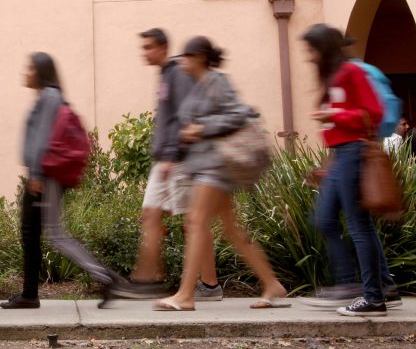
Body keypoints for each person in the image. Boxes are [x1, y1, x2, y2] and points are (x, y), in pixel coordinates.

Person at [154, 37, 288, 312]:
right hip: (206, 166)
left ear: (201, 57)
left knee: (196, 221)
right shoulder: (199, 86)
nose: (183, 62)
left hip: (217, 166)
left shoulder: (217, 81)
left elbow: (238, 114)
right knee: (231, 230)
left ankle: (185, 295)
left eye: (187, 56)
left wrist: (200, 129)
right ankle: (272, 284)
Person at [0, 52, 119, 309]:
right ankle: (29, 293)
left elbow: (44, 137)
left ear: (41, 71)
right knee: (30, 233)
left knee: (55, 234)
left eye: (29, 67)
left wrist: (37, 175)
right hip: (40, 175)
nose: (25, 72)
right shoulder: (46, 97)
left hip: (45, 177)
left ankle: (106, 277)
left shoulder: (50, 97)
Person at [114, 28, 222, 301]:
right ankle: (147, 280)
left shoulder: (177, 73)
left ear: (162, 48)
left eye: (149, 47)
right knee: (150, 215)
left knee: (194, 222)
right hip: (163, 159)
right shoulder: (165, 75)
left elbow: (187, 116)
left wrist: (173, 155)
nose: (145, 52)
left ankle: (209, 285)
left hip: (179, 160)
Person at [299, 24, 400, 316]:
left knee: (359, 226)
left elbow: (375, 112)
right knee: (324, 218)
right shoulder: (334, 77)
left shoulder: (352, 73)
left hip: (354, 153)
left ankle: (372, 297)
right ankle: (373, 286)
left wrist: (335, 114)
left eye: (312, 49)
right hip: (340, 155)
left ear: (325, 48)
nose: (308, 56)